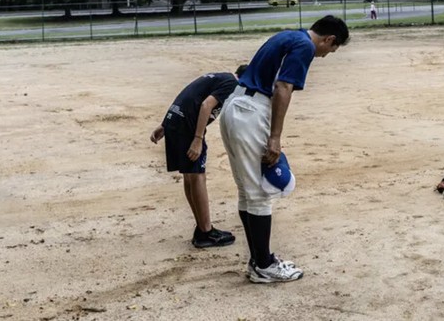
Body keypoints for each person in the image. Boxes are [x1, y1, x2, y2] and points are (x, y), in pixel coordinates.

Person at [219, 15, 350, 284]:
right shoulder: (305, 46)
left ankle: (258, 260)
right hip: (251, 113)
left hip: (236, 106)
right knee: (260, 193)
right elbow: (283, 87)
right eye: (330, 50)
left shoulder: (288, 35)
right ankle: (264, 265)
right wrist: (275, 137)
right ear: (329, 39)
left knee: (248, 192)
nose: (325, 55)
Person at [150, 64, 248, 248]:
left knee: (190, 176)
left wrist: (166, 123)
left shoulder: (219, 77)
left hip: (176, 121)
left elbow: (187, 94)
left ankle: (202, 227)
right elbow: (206, 105)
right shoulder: (232, 84)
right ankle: (206, 232)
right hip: (187, 128)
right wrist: (198, 138)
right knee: (197, 177)